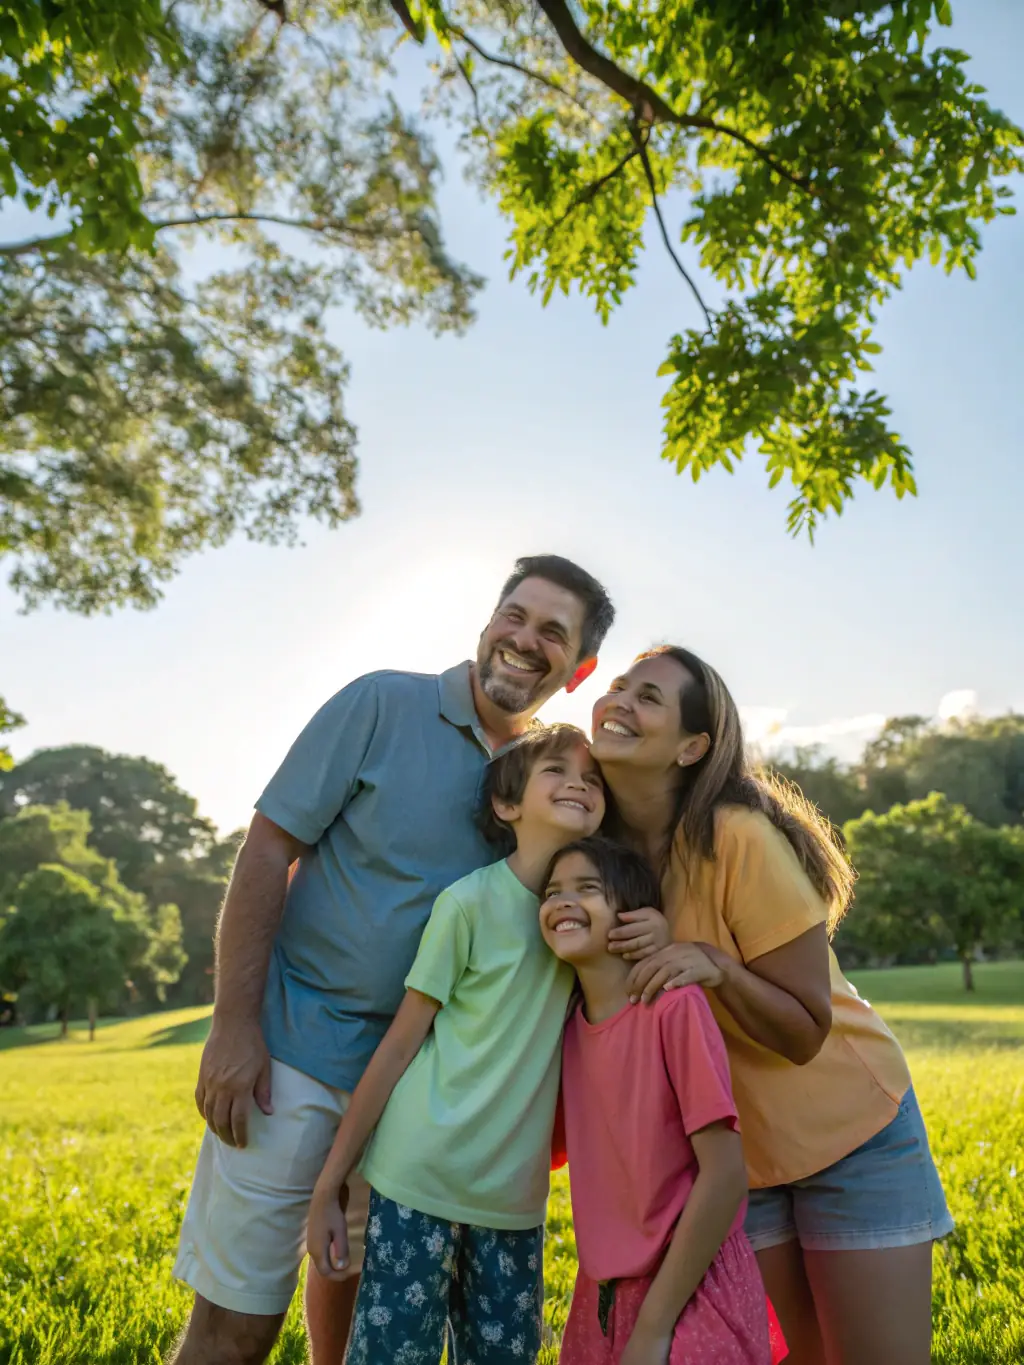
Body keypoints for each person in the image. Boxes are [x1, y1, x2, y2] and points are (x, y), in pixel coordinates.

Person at [167, 555, 615, 1365]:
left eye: (553, 632)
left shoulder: (558, 781)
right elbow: (268, 848)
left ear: (579, 668)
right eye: (514, 614)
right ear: (488, 621)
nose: (523, 639)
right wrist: (234, 1026)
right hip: (291, 1055)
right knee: (236, 1325)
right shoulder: (381, 702)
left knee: (358, 1319)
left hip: (422, 1108)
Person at [592, 647, 953, 1365]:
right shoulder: (599, 862)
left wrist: (717, 967)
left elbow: (805, 1028)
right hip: (735, 1168)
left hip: (852, 1137)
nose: (620, 701)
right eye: (618, 687)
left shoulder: (736, 837)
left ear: (692, 746)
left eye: (650, 697)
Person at [306, 724, 605, 1364]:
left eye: (592, 777)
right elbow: (398, 1048)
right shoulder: (467, 905)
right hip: (418, 1177)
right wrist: (331, 1183)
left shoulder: (594, 918)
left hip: (516, 1199)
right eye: (556, 769)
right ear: (507, 806)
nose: (579, 782)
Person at [540, 835, 781, 1365]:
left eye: (587, 888)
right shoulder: (564, 1031)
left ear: (632, 918)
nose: (562, 901)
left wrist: (653, 1327)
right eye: (552, 891)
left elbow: (724, 1176)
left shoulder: (674, 1008)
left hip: (688, 1287)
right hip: (601, 1294)